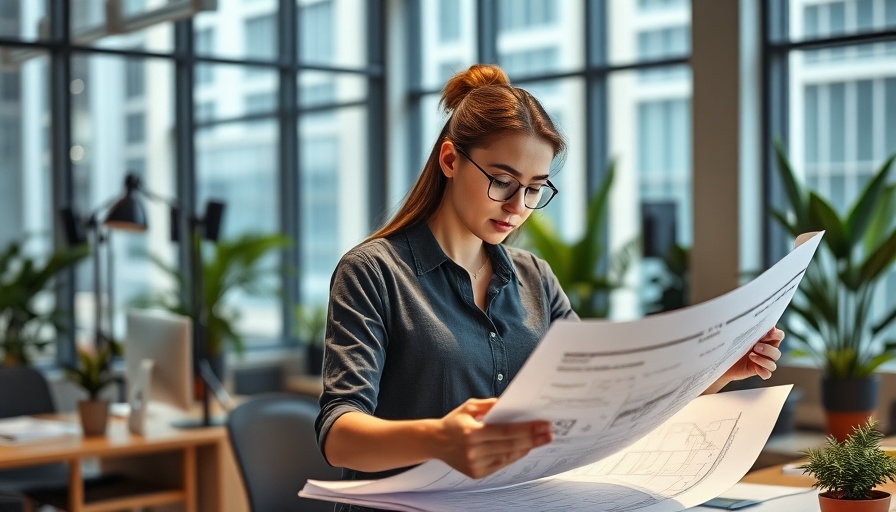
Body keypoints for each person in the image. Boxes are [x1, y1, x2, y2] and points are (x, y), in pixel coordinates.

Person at [315, 64, 784, 510]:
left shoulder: (535, 278)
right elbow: (339, 436)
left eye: (535, 188)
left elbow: (606, 406)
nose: (518, 206)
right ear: (451, 159)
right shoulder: (373, 271)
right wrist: (441, 437)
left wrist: (718, 370)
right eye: (502, 181)